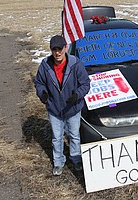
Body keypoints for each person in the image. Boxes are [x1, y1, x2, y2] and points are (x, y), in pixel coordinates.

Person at [34, 35, 90, 176]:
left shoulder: (75, 64)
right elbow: (39, 83)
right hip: (54, 109)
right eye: (54, 49)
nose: (57, 52)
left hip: (73, 108)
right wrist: (43, 93)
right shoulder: (45, 65)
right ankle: (58, 162)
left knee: (74, 135)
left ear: (66, 48)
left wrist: (77, 95)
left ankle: (76, 159)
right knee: (57, 137)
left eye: (60, 49)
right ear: (51, 50)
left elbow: (85, 84)